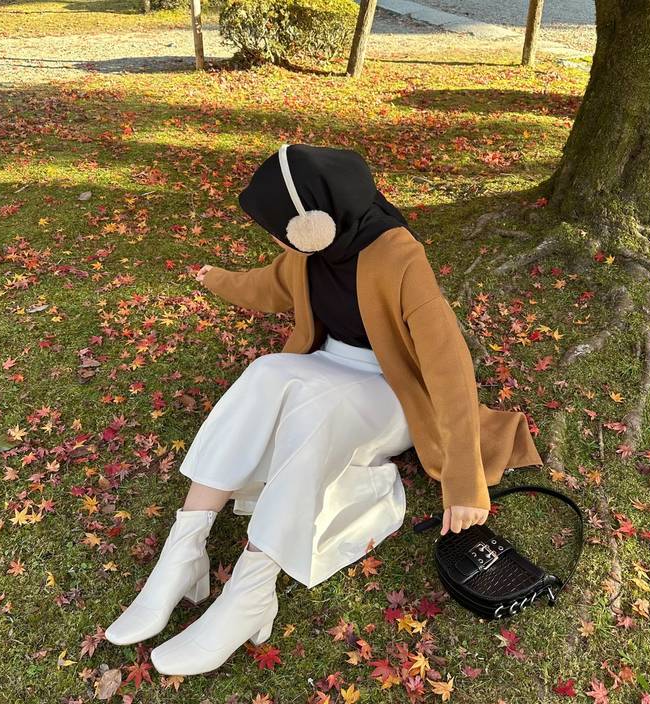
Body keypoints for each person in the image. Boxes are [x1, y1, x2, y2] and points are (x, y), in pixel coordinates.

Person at [104, 143, 544, 676]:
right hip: (330, 366)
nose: (275, 238)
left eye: (279, 228)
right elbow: (269, 285)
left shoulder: (400, 258)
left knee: (319, 416)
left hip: (394, 390)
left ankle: (251, 591)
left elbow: (449, 370)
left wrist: (464, 480)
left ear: (313, 223)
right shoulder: (311, 250)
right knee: (265, 372)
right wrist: (215, 278)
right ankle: (185, 551)